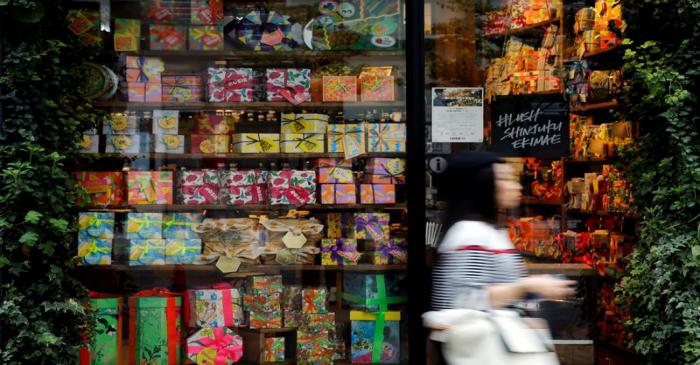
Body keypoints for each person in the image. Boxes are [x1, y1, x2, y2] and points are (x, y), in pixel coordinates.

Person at [427, 151, 575, 364]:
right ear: (483, 185)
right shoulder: (469, 233)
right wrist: (526, 286)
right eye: (505, 178)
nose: (517, 186)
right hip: (487, 350)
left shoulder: (487, 231)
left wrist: (528, 295)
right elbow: (462, 300)